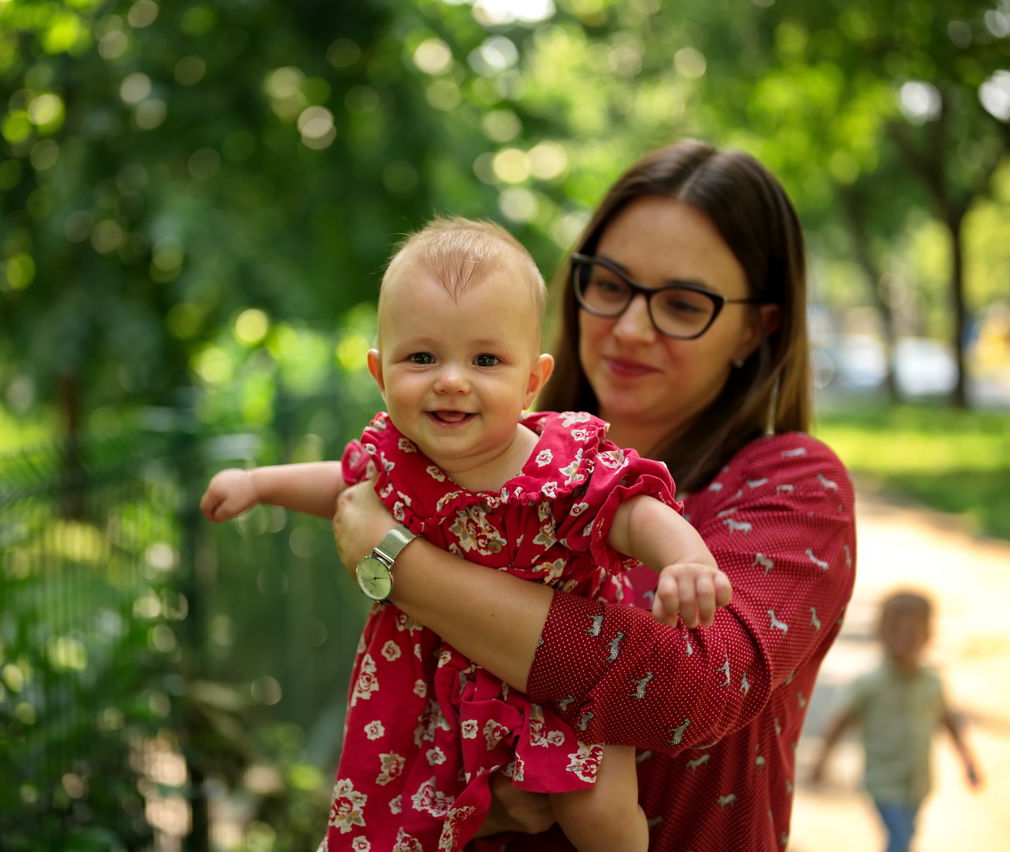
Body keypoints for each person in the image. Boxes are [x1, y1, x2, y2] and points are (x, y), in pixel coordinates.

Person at [329, 139, 858, 851]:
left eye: (681, 303)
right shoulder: (472, 461)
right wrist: (477, 802)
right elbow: (412, 730)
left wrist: (395, 560)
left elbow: (693, 689)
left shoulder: (793, 484)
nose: (630, 328)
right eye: (609, 285)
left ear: (754, 330)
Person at [200, 217, 732, 851]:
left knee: (600, 807)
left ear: (532, 379)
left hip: (551, 689)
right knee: (395, 814)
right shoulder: (396, 456)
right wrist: (260, 485)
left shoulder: (559, 468)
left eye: (485, 359)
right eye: (422, 357)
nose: (452, 379)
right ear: (379, 371)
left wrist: (685, 558)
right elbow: (342, 484)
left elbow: (633, 511)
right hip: (426, 690)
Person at [808, 590, 982, 852]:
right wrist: (822, 761)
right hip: (883, 781)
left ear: (928, 635)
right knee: (900, 839)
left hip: (918, 783)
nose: (904, 639)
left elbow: (949, 721)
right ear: (880, 632)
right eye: (895, 630)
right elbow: (841, 721)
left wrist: (968, 762)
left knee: (907, 833)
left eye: (912, 632)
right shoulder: (869, 684)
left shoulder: (932, 683)